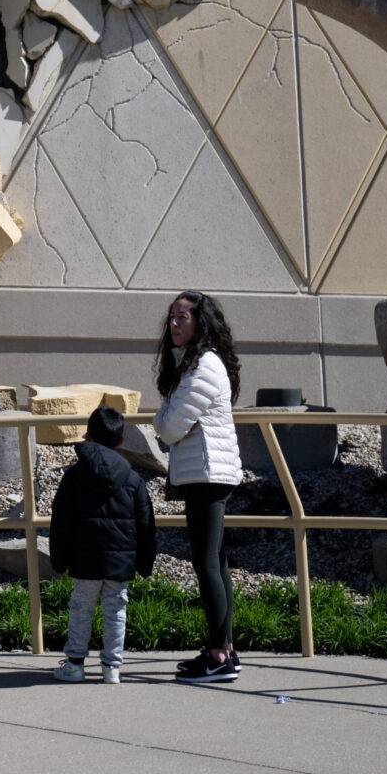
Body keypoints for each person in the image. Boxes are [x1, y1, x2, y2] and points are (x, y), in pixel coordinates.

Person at [153, 290, 244, 681]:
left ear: (200, 322)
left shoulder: (204, 365)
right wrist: (169, 423)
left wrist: (166, 425)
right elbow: (172, 421)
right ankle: (223, 648)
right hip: (203, 473)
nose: (174, 324)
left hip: (208, 474)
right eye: (172, 316)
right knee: (215, 560)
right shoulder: (191, 364)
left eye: (183, 317)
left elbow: (169, 426)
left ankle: (220, 655)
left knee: (206, 561)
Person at [48, 405, 157, 682]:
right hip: (120, 562)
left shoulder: (73, 476)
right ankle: (112, 668)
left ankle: (74, 664)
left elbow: (61, 522)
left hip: (85, 561)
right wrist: (144, 562)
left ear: (87, 437)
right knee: (116, 609)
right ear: (121, 441)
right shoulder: (133, 479)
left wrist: (59, 559)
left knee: (81, 608)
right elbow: (145, 524)